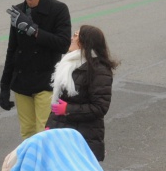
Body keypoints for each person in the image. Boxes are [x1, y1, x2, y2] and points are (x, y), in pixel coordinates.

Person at [0, 0, 73, 140]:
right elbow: (12, 50)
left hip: (46, 82)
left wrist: (34, 31)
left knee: (44, 132)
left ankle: (45, 167)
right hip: (22, 83)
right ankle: (31, 167)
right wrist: (4, 86)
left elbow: (63, 44)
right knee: (27, 133)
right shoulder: (17, 11)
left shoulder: (59, 9)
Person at [46, 25, 118, 162]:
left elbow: (100, 107)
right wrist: (50, 126)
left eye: (75, 36)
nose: (71, 38)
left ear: (85, 42)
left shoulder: (99, 70)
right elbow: (59, 102)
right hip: (62, 134)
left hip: (83, 138)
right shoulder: (68, 64)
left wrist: (68, 110)